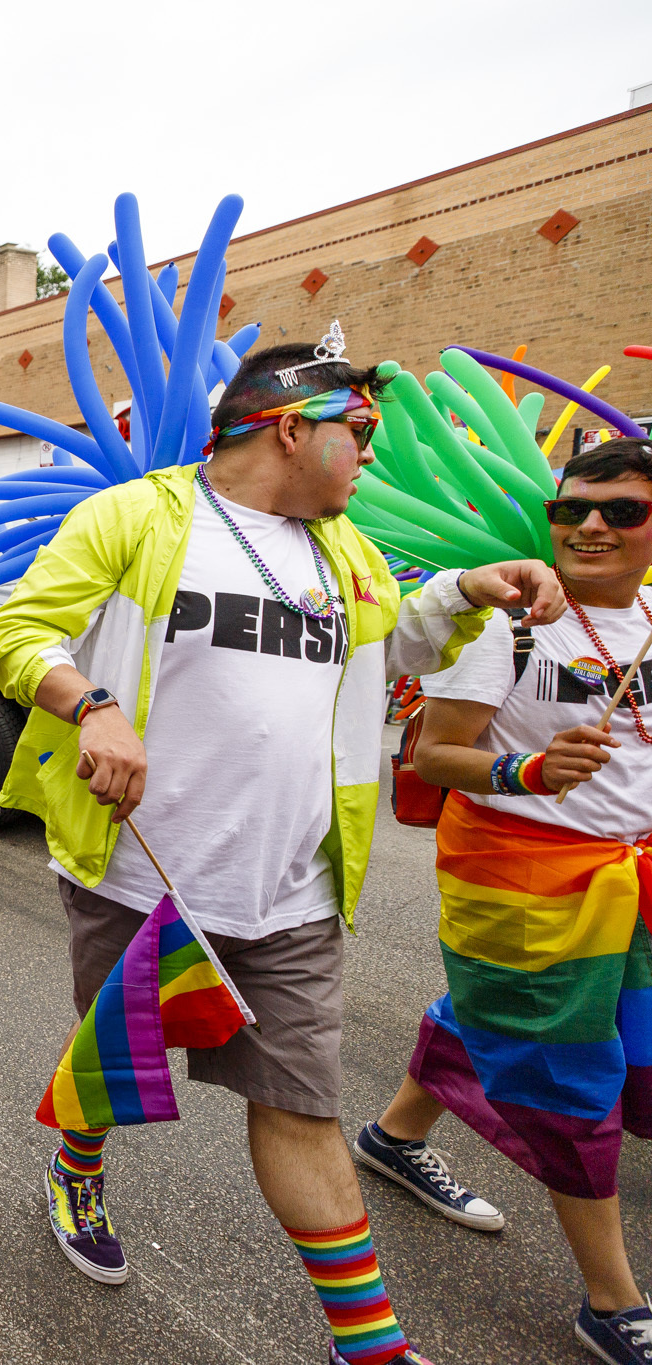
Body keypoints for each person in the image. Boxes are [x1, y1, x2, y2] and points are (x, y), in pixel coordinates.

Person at [0, 341, 563, 1364]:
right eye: (361, 438)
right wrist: (94, 709)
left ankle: (368, 1346)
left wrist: (475, 583)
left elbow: (396, 637)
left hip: (290, 892)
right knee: (115, 1060)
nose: (368, 464)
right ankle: (76, 1163)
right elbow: (20, 629)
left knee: (300, 1109)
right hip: (141, 879)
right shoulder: (137, 517)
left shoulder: (344, 553)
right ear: (291, 427)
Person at [356, 437, 652, 1363]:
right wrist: (524, 768)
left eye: (622, 511)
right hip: (522, 873)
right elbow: (428, 755)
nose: (592, 526)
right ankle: (611, 1300)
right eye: (574, 511)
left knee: (519, 1018)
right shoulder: (506, 623)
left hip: (630, 879)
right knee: (568, 1074)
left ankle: (393, 1137)